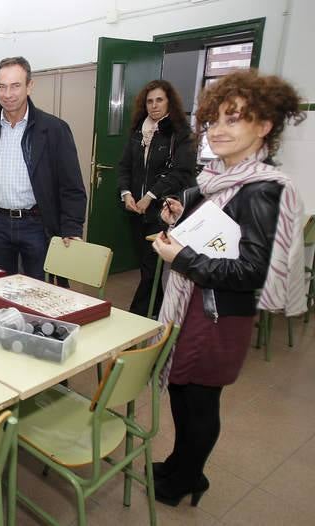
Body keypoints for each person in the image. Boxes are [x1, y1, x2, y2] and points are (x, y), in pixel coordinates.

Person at [151, 70, 307, 506]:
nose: (218, 129)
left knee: (200, 399)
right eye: (214, 119)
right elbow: (218, 232)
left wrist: (181, 258)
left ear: (264, 126)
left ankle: (189, 479)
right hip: (195, 304)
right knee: (181, 388)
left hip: (217, 315)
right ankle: (180, 463)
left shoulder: (262, 190)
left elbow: (250, 271)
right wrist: (181, 215)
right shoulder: (220, 178)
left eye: (234, 119)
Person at [0, 57, 87, 281]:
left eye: (15, 86)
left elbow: (72, 185)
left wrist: (72, 227)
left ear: (29, 86)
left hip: (38, 226)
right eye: (2, 87)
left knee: (40, 291)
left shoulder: (54, 129)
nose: (8, 94)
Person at [117, 80, 196, 317]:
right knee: (146, 266)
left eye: (159, 100)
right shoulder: (137, 132)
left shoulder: (180, 133)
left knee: (152, 266)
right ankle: (159, 311)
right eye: (150, 101)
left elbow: (181, 173)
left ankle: (136, 317)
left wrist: (150, 196)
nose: (154, 105)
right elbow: (124, 167)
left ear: (169, 102)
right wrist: (126, 193)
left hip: (163, 211)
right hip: (136, 211)